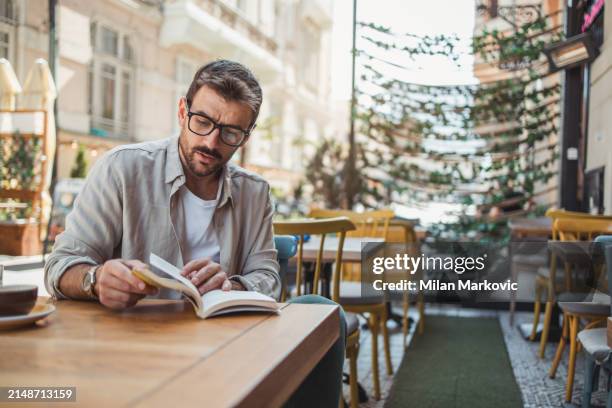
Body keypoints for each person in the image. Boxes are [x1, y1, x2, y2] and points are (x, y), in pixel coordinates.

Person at [44, 60, 345, 407]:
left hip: (226, 345)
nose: (211, 142)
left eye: (231, 132)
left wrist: (232, 286)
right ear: (182, 110)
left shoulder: (255, 192)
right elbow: (60, 266)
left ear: (246, 136)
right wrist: (95, 279)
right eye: (202, 122)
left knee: (322, 314)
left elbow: (267, 276)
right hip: (135, 342)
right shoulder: (123, 169)